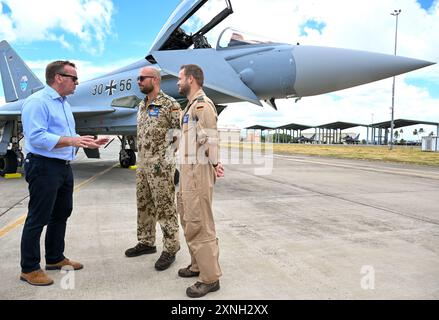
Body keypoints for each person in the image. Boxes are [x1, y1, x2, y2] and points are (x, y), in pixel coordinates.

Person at [20, 60, 109, 286]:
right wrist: (72, 139)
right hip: (43, 166)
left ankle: (54, 258)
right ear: (58, 78)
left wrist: (87, 142)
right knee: (37, 217)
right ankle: (29, 268)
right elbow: (37, 137)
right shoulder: (37, 102)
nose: (77, 83)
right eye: (74, 78)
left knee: (61, 213)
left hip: (62, 166)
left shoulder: (64, 104)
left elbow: (67, 134)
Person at [125, 67, 181, 271]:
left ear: (155, 80)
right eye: (138, 78)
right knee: (144, 205)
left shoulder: (169, 104)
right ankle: (147, 242)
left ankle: (171, 248)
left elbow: (177, 136)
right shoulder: (142, 105)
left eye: (142, 78)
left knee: (165, 208)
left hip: (160, 168)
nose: (138, 81)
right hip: (143, 166)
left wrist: (164, 161)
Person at [176, 64, 225, 298]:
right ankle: (197, 265)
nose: (178, 82)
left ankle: (210, 278)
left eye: (180, 78)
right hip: (188, 172)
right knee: (188, 218)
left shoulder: (203, 105)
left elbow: (210, 139)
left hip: (198, 173)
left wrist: (215, 163)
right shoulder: (190, 106)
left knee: (201, 222)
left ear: (191, 79)